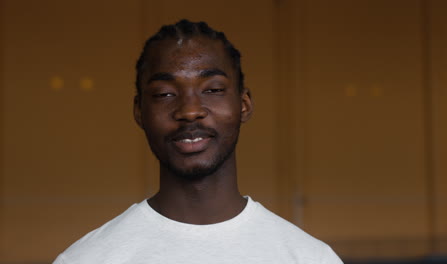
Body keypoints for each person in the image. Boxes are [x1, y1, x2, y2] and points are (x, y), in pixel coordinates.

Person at [53, 19, 343, 264]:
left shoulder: (310, 258)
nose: (190, 110)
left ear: (244, 105)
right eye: (165, 94)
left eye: (213, 89)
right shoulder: (87, 259)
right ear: (139, 111)